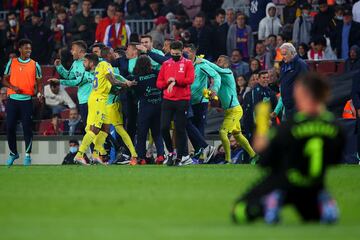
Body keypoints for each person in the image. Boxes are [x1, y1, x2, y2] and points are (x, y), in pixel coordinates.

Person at [232, 72, 345, 224]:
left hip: (283, 182)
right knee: (312, 218)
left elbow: (264, 161)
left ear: (304, 94)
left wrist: (261, 128)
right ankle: (323, 200)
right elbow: (335, 160)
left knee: (239, 212)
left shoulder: (289, 128)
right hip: (313, 186)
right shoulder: (336, 128)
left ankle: (272, 200)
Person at [74, 52, 135, 165]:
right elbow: (113, 80)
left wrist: (123, 85)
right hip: (98, 100)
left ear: (92, 62)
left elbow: (112, 82)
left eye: (85, 62)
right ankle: (79, 154)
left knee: (106, 129)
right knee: (95, 129)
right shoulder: (104, 65)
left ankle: (96, 154)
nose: (83, 64)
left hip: (101, 100)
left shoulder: (100, 67)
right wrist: (127, 84)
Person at [201, 56, 257, 164]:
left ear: (226, 64)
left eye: (220, 60)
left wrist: (203, 61)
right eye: (217, 60)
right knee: (238, 135)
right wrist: (208, 94)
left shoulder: (228, 72)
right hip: (229, 111)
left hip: (235, 110)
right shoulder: (220, 79)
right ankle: (254, 156)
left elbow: (217, 69)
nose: (217, 62)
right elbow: (217, 95)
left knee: (222, 132)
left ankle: (228, 159)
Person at [2, 39, 43, 166]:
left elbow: (40, 82)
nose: (28, 50)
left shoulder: (35, 65)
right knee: (9, 128)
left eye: (30, 48)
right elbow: (4, 80)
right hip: (12, 101)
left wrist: (40, 93)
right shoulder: (12, 62)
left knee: (27, 128)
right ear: (20, 49)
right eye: (26, 48)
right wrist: (13, 88)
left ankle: (27, 155)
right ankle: (13, 153)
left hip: (26, 101)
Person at [156, 41, 195, 166]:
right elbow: (159, 83)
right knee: (163, 128)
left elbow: (190, 79)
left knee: (180, 129)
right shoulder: (166, 64)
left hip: (182, 100)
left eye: (177, 54)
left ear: (182, 51)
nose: (175, 55)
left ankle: (179, 157)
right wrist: (168, 82)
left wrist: (176, 81)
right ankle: (171, 152)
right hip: (168, 100)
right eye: (172, 54)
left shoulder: (188, 63)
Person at [132, 55, 165, 165]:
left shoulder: (136, 79)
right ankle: (161, 155)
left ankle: (141, 158)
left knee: (141, 134)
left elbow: (135, 94)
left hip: (145, 108)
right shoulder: (156, 73)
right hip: (158, 107)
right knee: (157, 133)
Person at [52, 40, 91, 124]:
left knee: (94, 128)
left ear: (80, 51)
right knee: (88, 127)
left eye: (73, 49)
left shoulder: (88, 62)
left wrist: (59, 81)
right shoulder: (75, 63)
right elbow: (69, 76)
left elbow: (78, 82)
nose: (71, 52)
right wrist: (59, 67)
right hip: (82, 99)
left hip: (91, 99)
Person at [273, 43, 308, 121]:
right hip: (287, 106)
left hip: (297, 106)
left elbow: (306, 84)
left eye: (285, 54)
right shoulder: (284, 66)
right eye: (282, 55)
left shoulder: (300, 64)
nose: (283, 57)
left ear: (292, 53)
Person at [242, 70, 277, 140]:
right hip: (254, 127)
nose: (266, 80)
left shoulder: (271, 93)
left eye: (267, 77)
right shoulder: (251, 94)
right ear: (259, 79)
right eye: (263, 78)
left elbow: (274, 109)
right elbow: (255, 110)